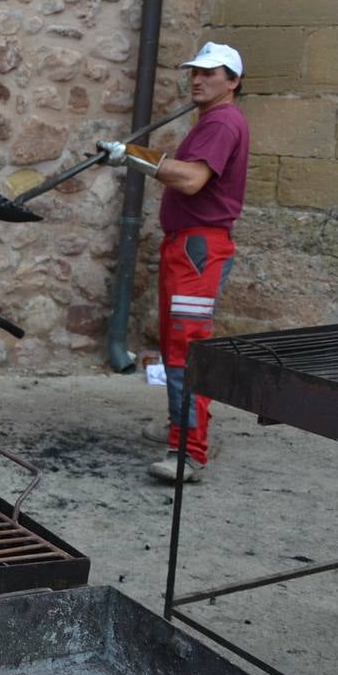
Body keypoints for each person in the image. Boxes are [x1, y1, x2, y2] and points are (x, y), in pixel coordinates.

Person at [97, 41, 250, 483]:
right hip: (189, 248)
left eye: (210, 73)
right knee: (177, 347)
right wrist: (136, 157)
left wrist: (134, 157)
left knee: (186, 351)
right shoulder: (212, 120)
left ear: (233, 81)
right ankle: (183, 430)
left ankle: (189, 453)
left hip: (199, 251)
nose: (197, 80)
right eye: (194, 73)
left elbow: (192, 178)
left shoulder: (222, 121)